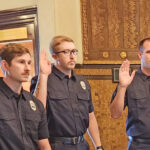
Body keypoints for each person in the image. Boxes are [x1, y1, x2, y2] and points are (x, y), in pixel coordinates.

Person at [31, 35, 104, 150]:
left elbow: (91, 117)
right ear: (55, 56)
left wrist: (98, 146)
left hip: (82, 144)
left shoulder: (82, 82)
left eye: (74, 52)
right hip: (57, 145)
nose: (72, 56)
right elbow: (38, 112)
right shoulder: (43, 80)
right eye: (66, 52)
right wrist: (43, 76)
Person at [0, 43, 51, 150]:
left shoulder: (36, 104)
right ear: (5, 65)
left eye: (29, 63)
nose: (28, 68)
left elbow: (44, 144)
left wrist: (44, 75)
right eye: (21, 62)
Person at [110, 37, 150, 150]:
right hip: (139, 145)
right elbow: (115, 114)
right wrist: (122, 87)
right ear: (140, 55)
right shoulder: (129, 81)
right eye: (149, 52)